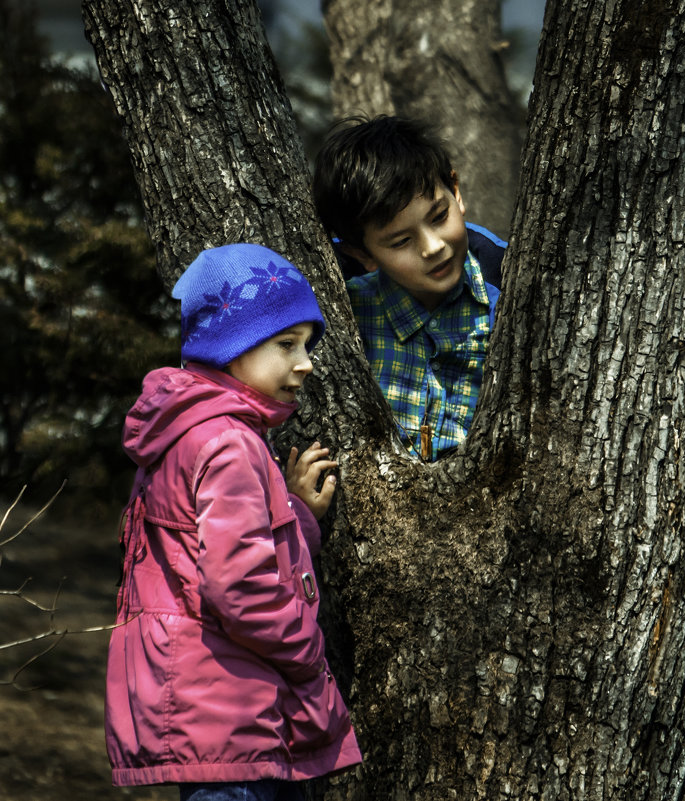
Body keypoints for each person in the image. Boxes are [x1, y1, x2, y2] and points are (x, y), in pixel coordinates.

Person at [105, 243, 362, 801]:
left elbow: (201, 549)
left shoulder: (188, 430)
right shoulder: (229, 442)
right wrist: (309, 650)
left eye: (307, 344)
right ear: (232, 345)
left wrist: (295, 514)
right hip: (232, 719)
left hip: (203, 710)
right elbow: (239, 587)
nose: (307, 362)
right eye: (286, 344)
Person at [312, 114, 506, 462]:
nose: (432, 247)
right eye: (401, 241)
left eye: (438, 217)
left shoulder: (508, 295)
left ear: (456, 192)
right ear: (362, 254)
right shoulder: (349, 316)